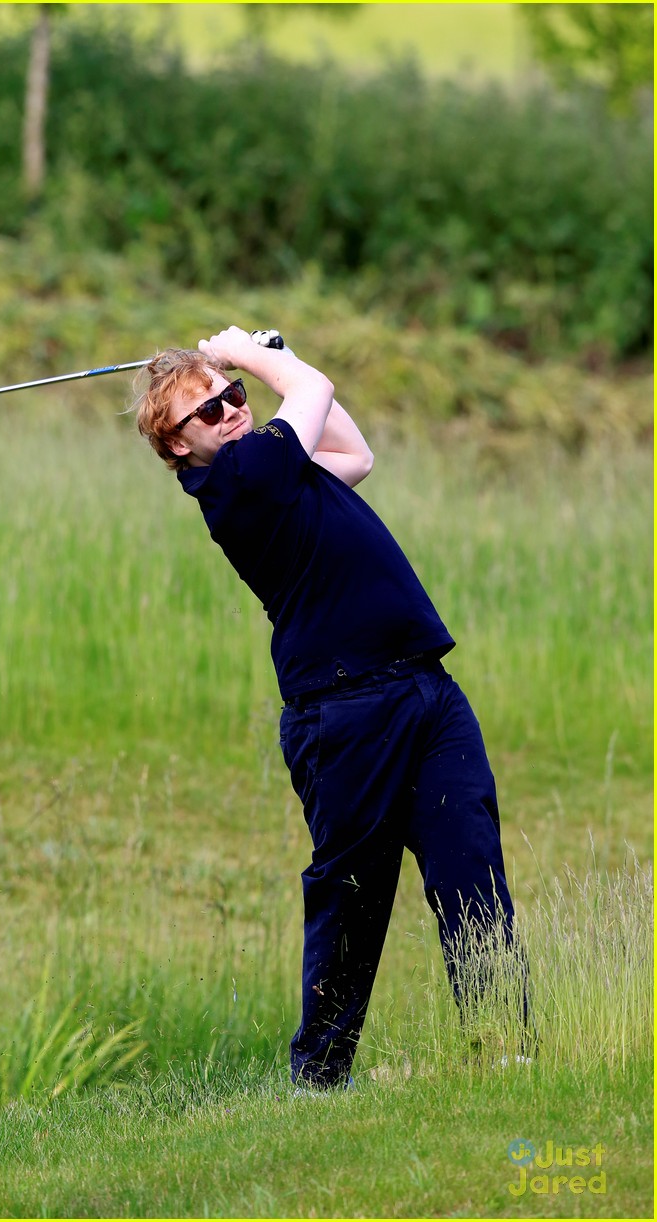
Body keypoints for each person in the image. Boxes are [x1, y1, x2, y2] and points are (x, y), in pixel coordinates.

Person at [134, 325, 531, 1089]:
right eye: (207, 411)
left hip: (424, 691)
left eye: (234, 397)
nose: (230, 411)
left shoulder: (281, 470)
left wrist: (257, 362)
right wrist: (249, 353)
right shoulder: (238, 480)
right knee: (353, 896)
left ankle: (505, 1053)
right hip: (344, 712)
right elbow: (312, 391)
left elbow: (354, 455)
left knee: (469, 865)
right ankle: (319, 1074)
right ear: (176, 447)